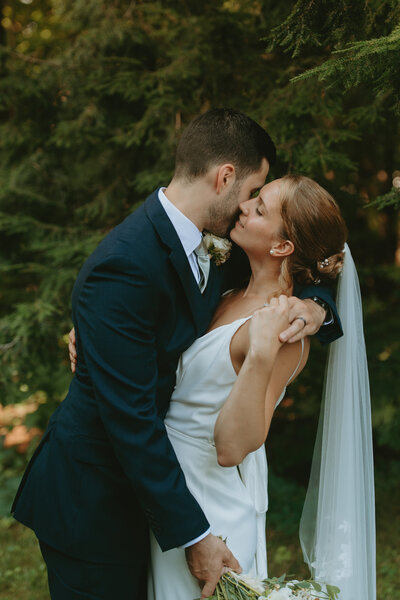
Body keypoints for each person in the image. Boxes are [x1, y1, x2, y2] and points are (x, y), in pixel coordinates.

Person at [11, 109, 342, 600]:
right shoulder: (126, 264)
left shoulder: (219, 255)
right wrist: (192, 533)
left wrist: (317, 310)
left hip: (177, 490)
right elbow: (133, 420)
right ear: (224, 177)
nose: (249, 205)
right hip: (96, 501)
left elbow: (293, 276)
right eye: (252, 190)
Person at [147, 174, 348, 600]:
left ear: (281, 247)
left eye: (259, 209)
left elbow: (233, 449)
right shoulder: (229, 287)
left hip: (210, 506)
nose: (244, 206)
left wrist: (259, 356)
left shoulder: (284, 331)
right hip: (170, 486)